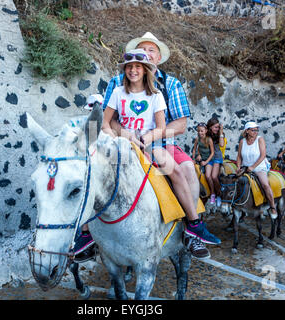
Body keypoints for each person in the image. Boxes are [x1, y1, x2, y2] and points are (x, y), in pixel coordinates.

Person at [74, 32, 221, 261]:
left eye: (150, 51)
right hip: (122, 140)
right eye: (141, 50)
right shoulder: (117, 85)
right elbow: (108, 119)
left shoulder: (168, 86)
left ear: (158, 58)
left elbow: (180, 125)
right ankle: (86, 233)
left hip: (160, 142)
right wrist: (125, 135)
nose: (146, 55)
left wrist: (150, 136)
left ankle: (190, 228)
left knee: (185, 170)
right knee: (92, 170)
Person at [236, 121, 277, 218]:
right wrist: (238, 167)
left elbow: (263, 155)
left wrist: (253, 167)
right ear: (247, 131)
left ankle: (272, 206)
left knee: (265, 184)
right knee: (235, 182)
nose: (256, 132)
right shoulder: (242, 142)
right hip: (246, 167)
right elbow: (239, 157)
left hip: (259, 166)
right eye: (253, 130)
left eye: (257, 130)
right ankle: (237, 206)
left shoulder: (260, 139)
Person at [206, 118, 225, 207]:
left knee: (214, 176)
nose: (217, 129)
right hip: (209, 158)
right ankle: (213, 193)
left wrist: (221, 131)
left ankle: (220, 194)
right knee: (207, 176)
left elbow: (221, 144)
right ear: (210, 127)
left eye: (218, 127)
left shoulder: (220, 134)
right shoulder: (206, 134)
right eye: (215, 127)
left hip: (217, 157)